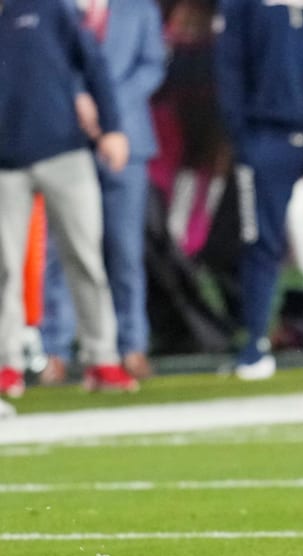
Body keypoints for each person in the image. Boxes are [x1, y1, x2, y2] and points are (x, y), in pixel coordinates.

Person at [0, 0, 139, 397]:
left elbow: (93, 64)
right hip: (4, 165)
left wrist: (112, 127)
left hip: (65, 152)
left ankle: (102, 358)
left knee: (85, 258)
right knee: (4, 268)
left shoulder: (46, 7)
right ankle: (6, 364)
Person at [214, 0, 303, 381]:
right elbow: (230, 60)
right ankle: (256, 341)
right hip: (269, 133)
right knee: (260, 242)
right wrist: (242, 136)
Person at [40, 0, 167, 384]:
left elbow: (152, 65)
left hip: (127, 138)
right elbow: (46, 62)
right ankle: (55, 350)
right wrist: (80, 100)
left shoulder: (140, 9)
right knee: (60, 251)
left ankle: (131, 346)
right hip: (66, 136)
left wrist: (107, 104)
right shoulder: (53, 8)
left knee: (125, 249)